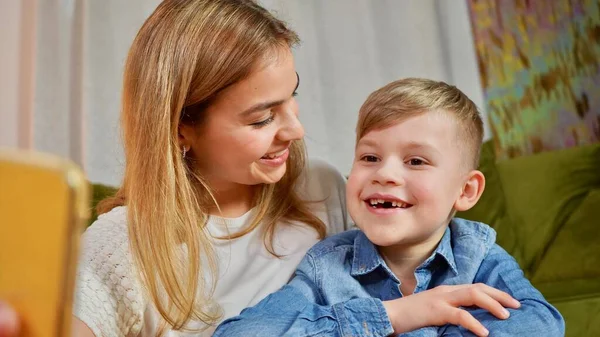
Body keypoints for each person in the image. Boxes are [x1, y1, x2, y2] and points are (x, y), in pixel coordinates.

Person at [0, 2, 521, 337]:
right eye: (262, 117)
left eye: (291, 99)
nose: (294, 130)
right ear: (183, 127)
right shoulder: (123, 244)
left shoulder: (321, 188)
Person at [213, 78, 565, 337]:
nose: (385, 173)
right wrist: (387, 317)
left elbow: (541, 324)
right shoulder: (327, 265)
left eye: (415, 161)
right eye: (370, 157)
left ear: (466, 190)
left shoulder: (479, 255)